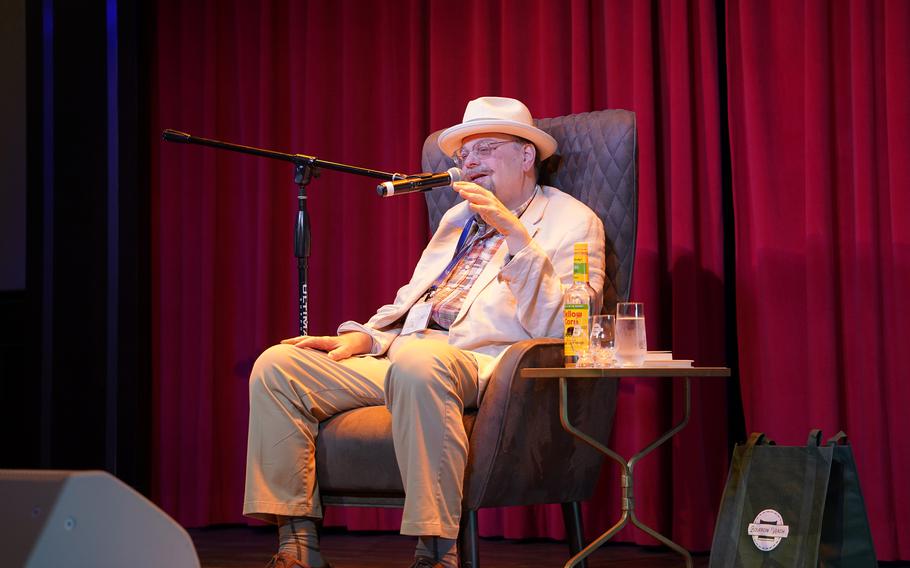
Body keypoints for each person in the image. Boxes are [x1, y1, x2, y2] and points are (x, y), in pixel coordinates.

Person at [243, 96, 606, 568]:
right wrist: (368, 338)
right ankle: (296, 549)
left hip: (488, 366)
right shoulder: (457, 219)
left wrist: (514, 234)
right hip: (410, 354)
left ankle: (435, 553)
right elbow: (419, 300)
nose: (470, 162)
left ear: (525, 156)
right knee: (279, 366)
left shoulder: (573, 222)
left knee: (421, 363)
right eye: (464, 155)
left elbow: (563, 327)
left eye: (485, 149)